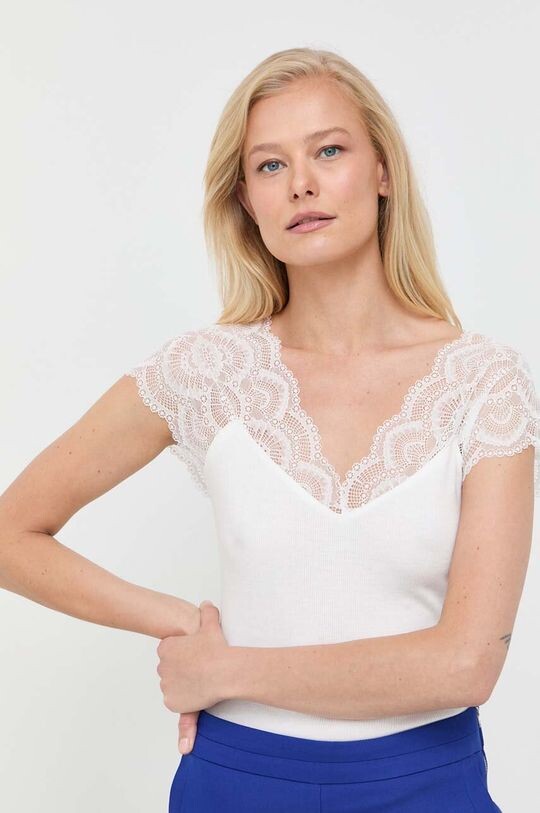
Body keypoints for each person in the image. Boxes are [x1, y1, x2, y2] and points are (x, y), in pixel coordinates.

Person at [1, 47, 538, 812]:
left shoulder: (484, 380)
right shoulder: (207, 371)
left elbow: (466, 664)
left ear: (383, 171)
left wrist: (229, 669)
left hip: (427, 782)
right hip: (236, 779)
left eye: (329, 150)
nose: (301, 184)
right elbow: (12, 532)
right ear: (247, 200)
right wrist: (180, 621)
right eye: (270, 165)